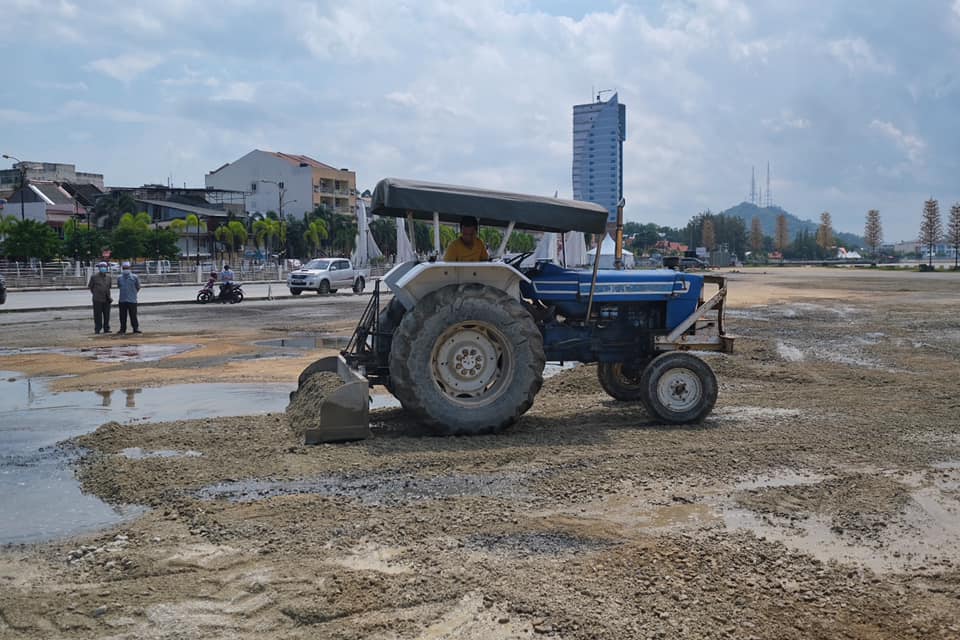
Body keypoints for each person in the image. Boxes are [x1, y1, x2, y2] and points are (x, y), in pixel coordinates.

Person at [116, 261, 142, 335]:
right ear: (122, 269)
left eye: (127, 268)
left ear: (130, 268)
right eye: (124, 268)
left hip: (132, 300)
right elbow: (119, 286)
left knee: (133, 315)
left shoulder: (135, 277)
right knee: (122, 316)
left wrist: (133, 293)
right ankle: (122, 329)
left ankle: (135, 328)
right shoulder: (119, 277)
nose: (126, 269)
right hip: (122, 300)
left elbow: (138, 287)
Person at [87, 261, 112, 334]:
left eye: (104, 267)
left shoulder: (109, 277)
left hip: (107, 299)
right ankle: (97, 329)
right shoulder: (94, 277)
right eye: (101, 267)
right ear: (99, 268)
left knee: (107, 315)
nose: (103, 268)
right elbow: (90, 287)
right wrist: (95, 293)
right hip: (97, 299)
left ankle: (106, 328)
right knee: (97, 315)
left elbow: (109, 287)